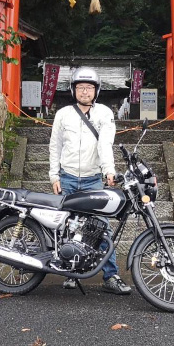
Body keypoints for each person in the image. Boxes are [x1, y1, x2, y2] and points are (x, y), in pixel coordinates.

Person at [48, 66, 131, 295]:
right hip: (67, 177)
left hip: (93, 179)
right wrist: (54, 175)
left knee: (101, 228)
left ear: (96, 90)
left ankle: (111, 276)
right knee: (67, 228)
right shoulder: (63, 114)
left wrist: (109, 171)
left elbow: (105, 144)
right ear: (73, 90)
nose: (85, 92)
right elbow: (55, 146)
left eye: (89, 88)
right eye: (80, 87)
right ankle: (70, 272)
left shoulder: (104, 113)